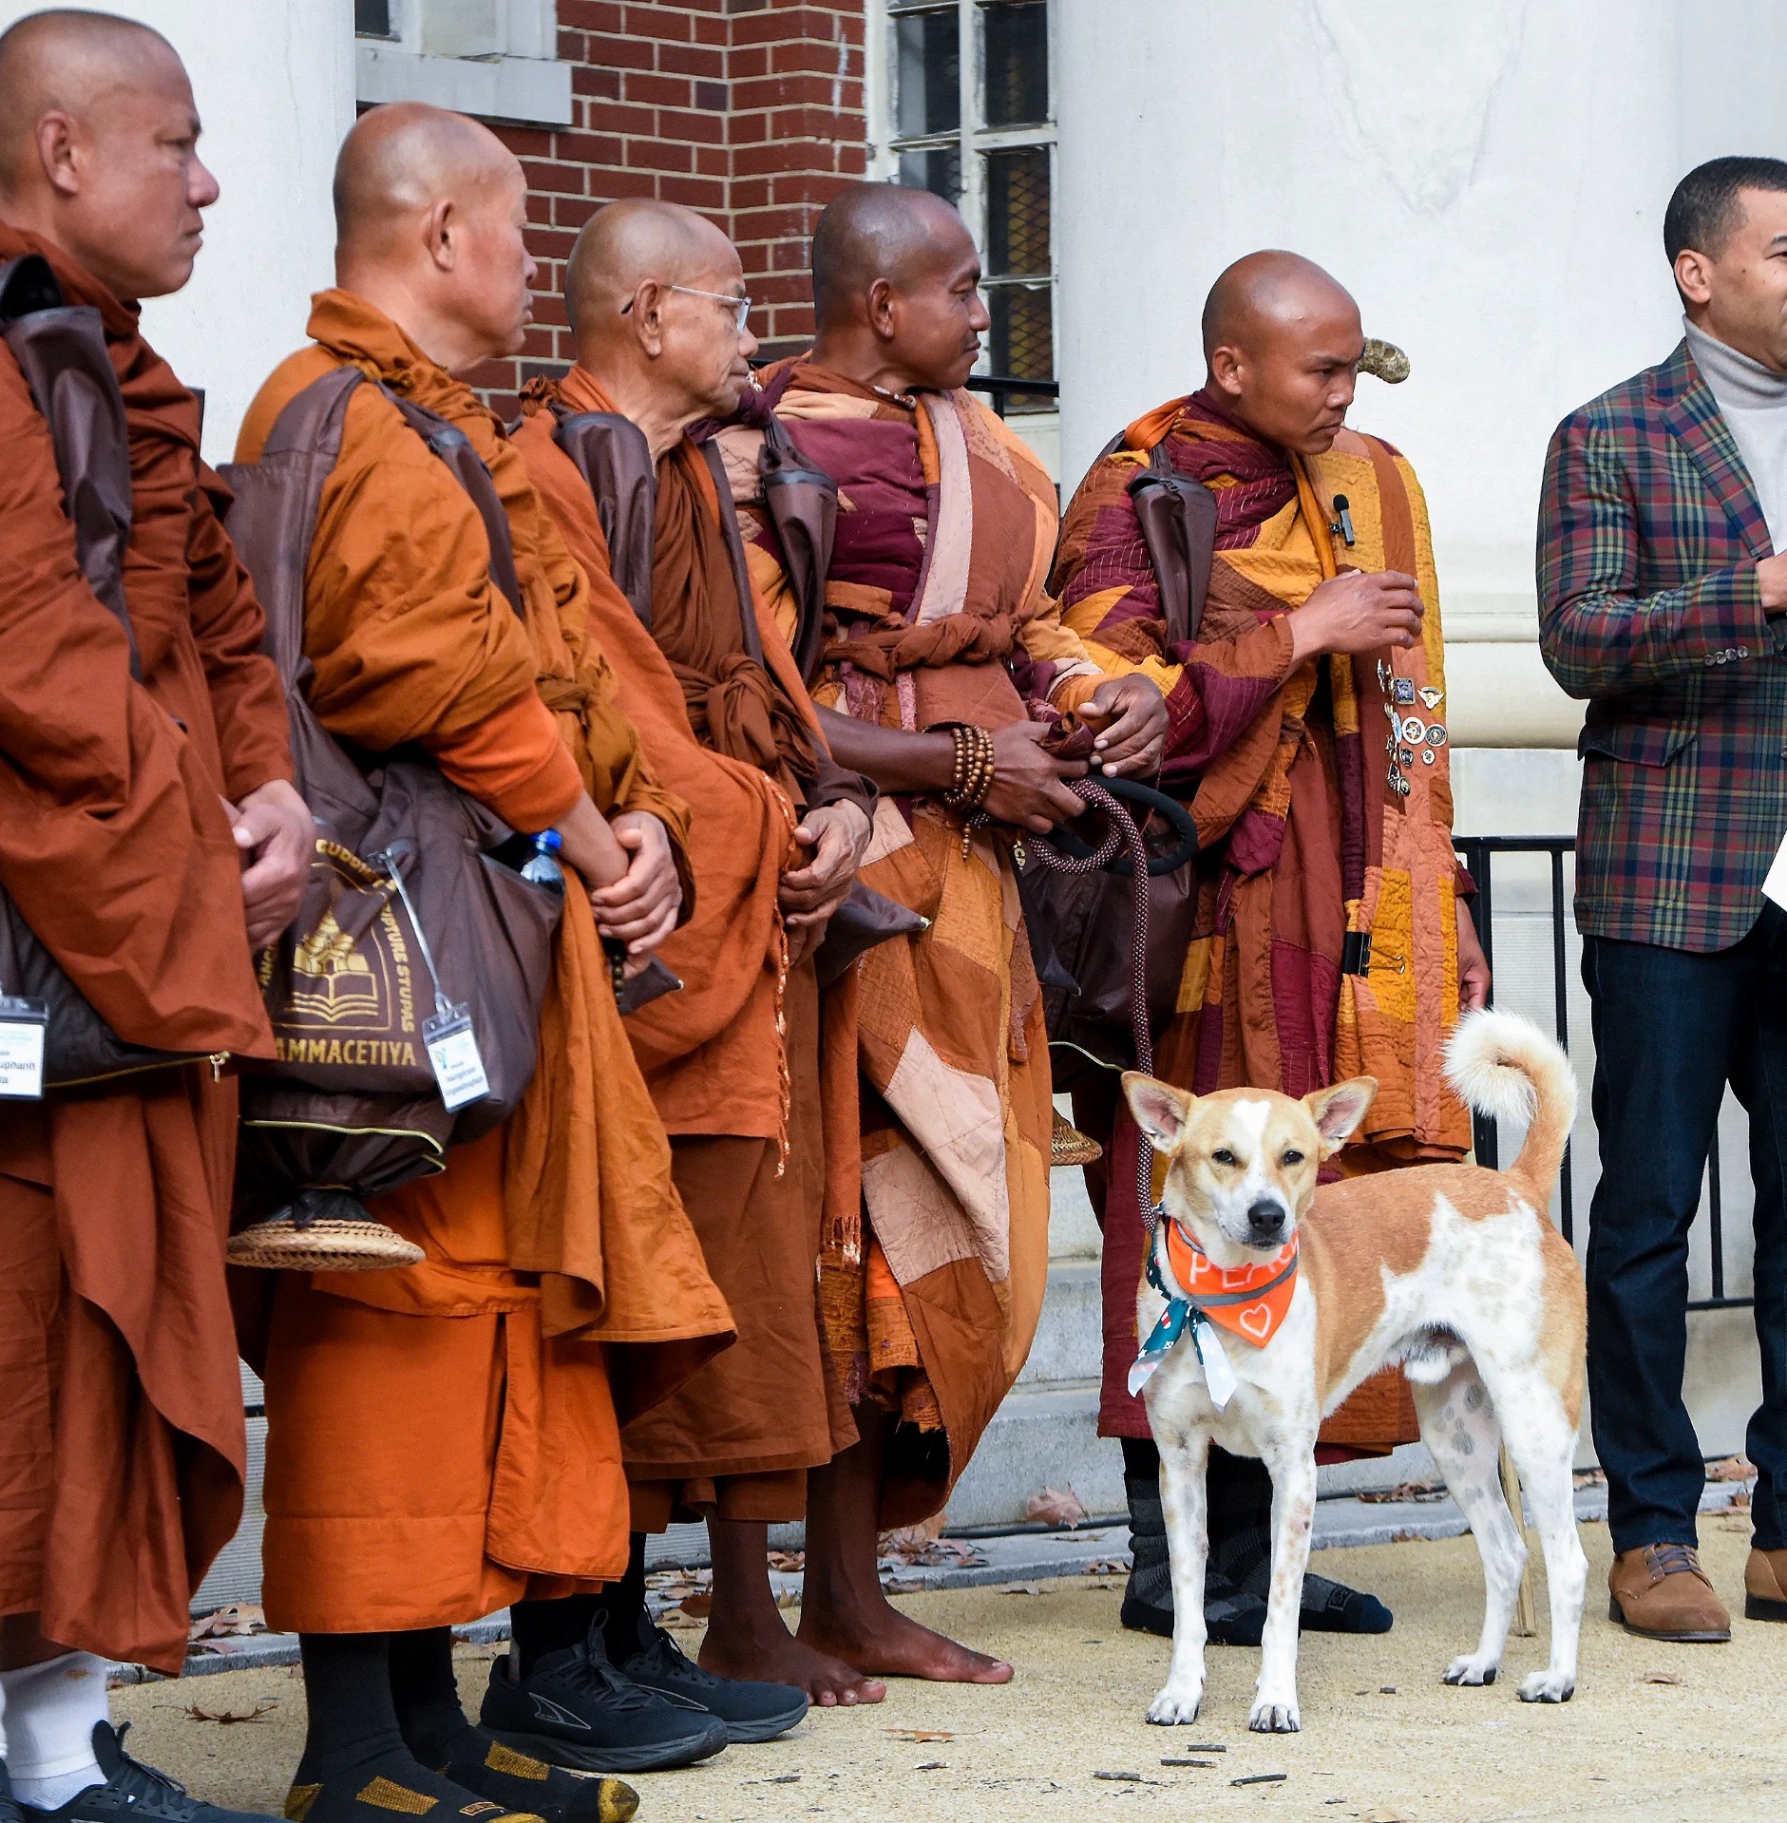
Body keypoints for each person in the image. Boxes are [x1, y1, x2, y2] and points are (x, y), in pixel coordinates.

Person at [232, 104, 736, 1823]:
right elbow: (432, 672)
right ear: (443, 231)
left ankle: (428, 1718)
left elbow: (553, 668)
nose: (536, 267)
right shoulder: (347, 417)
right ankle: (354, 1748)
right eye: (519, 232)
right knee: (390, 1298)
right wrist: (597, 841)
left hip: (473, 923)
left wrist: (632, 816)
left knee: (473, 1311)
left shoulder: (424, 421)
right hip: (398, 950)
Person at [719, 181, 1169, 1687]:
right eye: (968, 289)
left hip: (971, 901)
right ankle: (743, 1605)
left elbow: (1036, 624)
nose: (987, 313)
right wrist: (968, 764)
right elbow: (759, 694)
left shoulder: (988, 448)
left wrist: (1102, 687)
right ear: (882, 303)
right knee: (800, 1235)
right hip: (822, 885)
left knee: (919, 1248)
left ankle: (850, 1591)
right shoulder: (760, 446)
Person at [0, 15, 312, 1823]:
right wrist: (186, 846)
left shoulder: (123, 366)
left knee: (113, 1331)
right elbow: (18, 651)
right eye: (176, 144)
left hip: (154, 913)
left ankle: (56, 1745)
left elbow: (212, 623)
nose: (209, 181)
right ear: (66, 153)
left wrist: (267, 792)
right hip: (19, 932)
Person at [1052, 251, 1489, 1648]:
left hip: (1350, 910)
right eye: (1319, 368)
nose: (1343, 392)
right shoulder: (1139, 495)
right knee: (1181, 1210)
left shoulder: (1373, 483)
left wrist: (1443, 904)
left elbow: (1414, 724)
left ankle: (1267, 1547)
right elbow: (1113, 719)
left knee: (1315, 1204)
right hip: (1200, 922)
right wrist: (1304, 630)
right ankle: (1170, 1559)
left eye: (1356, 364)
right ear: (1231, 367)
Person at [508, 199, 878, 1726]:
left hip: (732, 907)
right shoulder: (558, 463)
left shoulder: (676, 476)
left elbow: (759, 690)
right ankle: (569, 1642)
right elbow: (599, 699)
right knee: (617, 1272)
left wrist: (839, 809)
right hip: (635, 923)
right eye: (731, 309)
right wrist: (744, 818)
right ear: (649, 315)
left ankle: (627, 1622)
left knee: (704, 1273)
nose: (754, 338)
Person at [1537, 154, 1787, 1644]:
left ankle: (1785, 1533)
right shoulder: (1612, 434)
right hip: (1674, 877)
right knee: (1646, 1215)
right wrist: (1750, 594)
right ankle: (1651, 1532)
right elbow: (1575, 638)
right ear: (1701, 271)